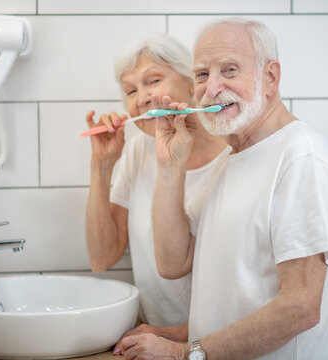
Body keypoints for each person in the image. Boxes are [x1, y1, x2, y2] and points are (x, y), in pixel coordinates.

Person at [119, 18, 328, 360]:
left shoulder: (301, 158)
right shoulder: (234, 158)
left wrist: (185, 353)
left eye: (229, 70)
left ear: (270, 77)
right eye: (202, 74)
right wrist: (171, 166)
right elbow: (173, 262)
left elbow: (300, 307)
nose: (211, 88)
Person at [84, 33, 230, 354]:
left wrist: (171, 337)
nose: (143, 98)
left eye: (153, 81)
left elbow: (247, 303)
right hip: (155, 344)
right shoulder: (139, 151)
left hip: (213, 347)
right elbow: (101, 257)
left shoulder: (233, 158)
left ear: (192, 83)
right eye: (131, 91)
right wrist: (102, 167)